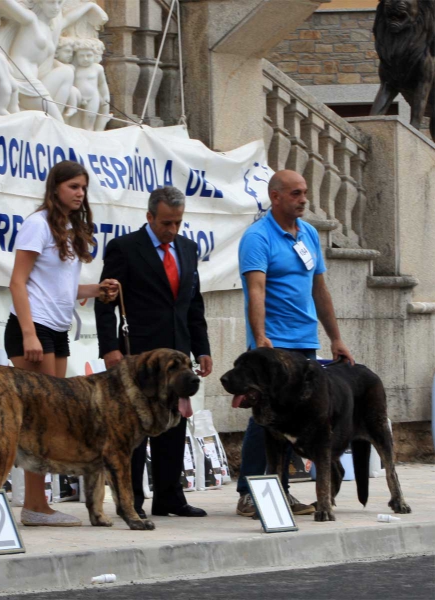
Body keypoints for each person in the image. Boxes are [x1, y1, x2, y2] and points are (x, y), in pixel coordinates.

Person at [4, 160, 118, 526]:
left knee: (51, 419)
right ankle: (35, 506)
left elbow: (64, 289)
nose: (80, 193)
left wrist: (96, 290)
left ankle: (40, 503)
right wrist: (28, 334)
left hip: (56, 328)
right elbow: (18, 282)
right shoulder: (37, 224)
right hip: (33, 328)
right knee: (37, 420)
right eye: (73, 187)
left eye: (83, 187)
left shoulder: (69, 227)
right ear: (55, 188)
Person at [236, 169, 355, 518]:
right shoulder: (257, 237)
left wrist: (335, 337)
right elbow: (255, 290)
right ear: (275, 197)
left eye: (304, 193)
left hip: (303, 342)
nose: (303, 199)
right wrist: (261, 340)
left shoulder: (309, 235)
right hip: (274, 346)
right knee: (264, 417)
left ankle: (280, 491)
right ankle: (249, 492)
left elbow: (320, 289)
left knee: (294, 418)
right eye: (295, 194)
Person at [95, 186, 213, 518]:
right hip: (139, 358)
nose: (172, 230)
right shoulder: (125, 248)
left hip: (178, 356)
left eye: (177, 223)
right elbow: (106, 303)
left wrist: (201, 349)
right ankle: (130, 500)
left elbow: (194, 305)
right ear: (149, 217)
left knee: (174, 421)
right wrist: (110, 349)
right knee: (134, 427)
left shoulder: (188, 249)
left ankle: (170, 496)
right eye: (165, 223)